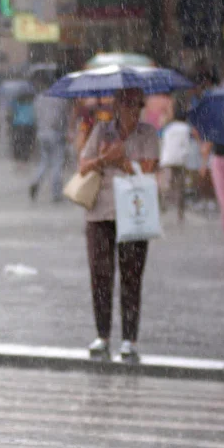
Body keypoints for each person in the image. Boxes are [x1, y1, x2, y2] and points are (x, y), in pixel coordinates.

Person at [77, 88, 159, 364]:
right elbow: (83, 167)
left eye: (135, 104)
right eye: (124, 104)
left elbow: (148, 169)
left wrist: (122, 160)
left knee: (131, 276)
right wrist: (104, 159)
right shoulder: (101, 130)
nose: (129, 110)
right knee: (100, 275)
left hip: (133, 214)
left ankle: (129, 339)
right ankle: (102, 335)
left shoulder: (147, 134)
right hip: (100, 212)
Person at [29, 83, 72, 203]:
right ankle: (56, 193)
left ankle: (36, 180)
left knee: (45, 161)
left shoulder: (39, 98)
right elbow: (63, 118)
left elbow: (36, 116)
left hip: (42, 133)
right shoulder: (60, 99)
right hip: (56, 134)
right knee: (57, 163)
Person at [159, 94, 194, 222]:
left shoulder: (168, 128)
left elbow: (161, 140)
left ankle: (162, 206)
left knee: (166, 184)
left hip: (167, 159)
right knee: (180, 187)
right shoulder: (186, 128)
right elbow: (188, 143)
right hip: (180, 160)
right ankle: (180, 212)